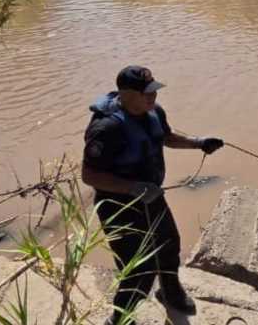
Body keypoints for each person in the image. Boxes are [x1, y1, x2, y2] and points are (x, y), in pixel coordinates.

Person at [81, 65, 223, 325]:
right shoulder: (106, 129)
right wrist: (133, 188)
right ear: (125, 94)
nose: (152, 97)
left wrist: (198, 142)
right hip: (119, 205)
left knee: (169, 245)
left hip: (152, 197)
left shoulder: (153, 112)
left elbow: (165, 137)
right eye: (145, 93)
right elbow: (90, 176)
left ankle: (170, 292)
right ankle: (120, 319)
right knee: (137, 269)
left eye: (153, 91)